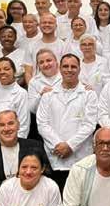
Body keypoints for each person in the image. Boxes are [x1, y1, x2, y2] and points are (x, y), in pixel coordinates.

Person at [37, 54, 98, 192]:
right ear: (60, 68)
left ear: (79, 69)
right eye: (65, 66)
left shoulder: (89, 94)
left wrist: (70, 145)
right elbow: (42, 124)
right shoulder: (48, 95)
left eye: (73, 66)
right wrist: (58, 144)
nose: (69, 70)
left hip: (80, 158)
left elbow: (89, 125)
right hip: (54, 158)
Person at [0, 57, 30, 143]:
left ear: (14, 71)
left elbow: (23, 126)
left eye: (6, 69)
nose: (2, 72)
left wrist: (16, 145)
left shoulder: (21, 93)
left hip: (10, 144)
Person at [24, 13, 65, 83]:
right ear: (39, 25)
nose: (47, 25)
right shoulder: (31, 45)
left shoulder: (63, 45)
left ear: (56, 26)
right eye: (44, 23)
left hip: (58, 86)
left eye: (50, 23)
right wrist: (33, 87)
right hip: (37, 86)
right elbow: (28, 72)